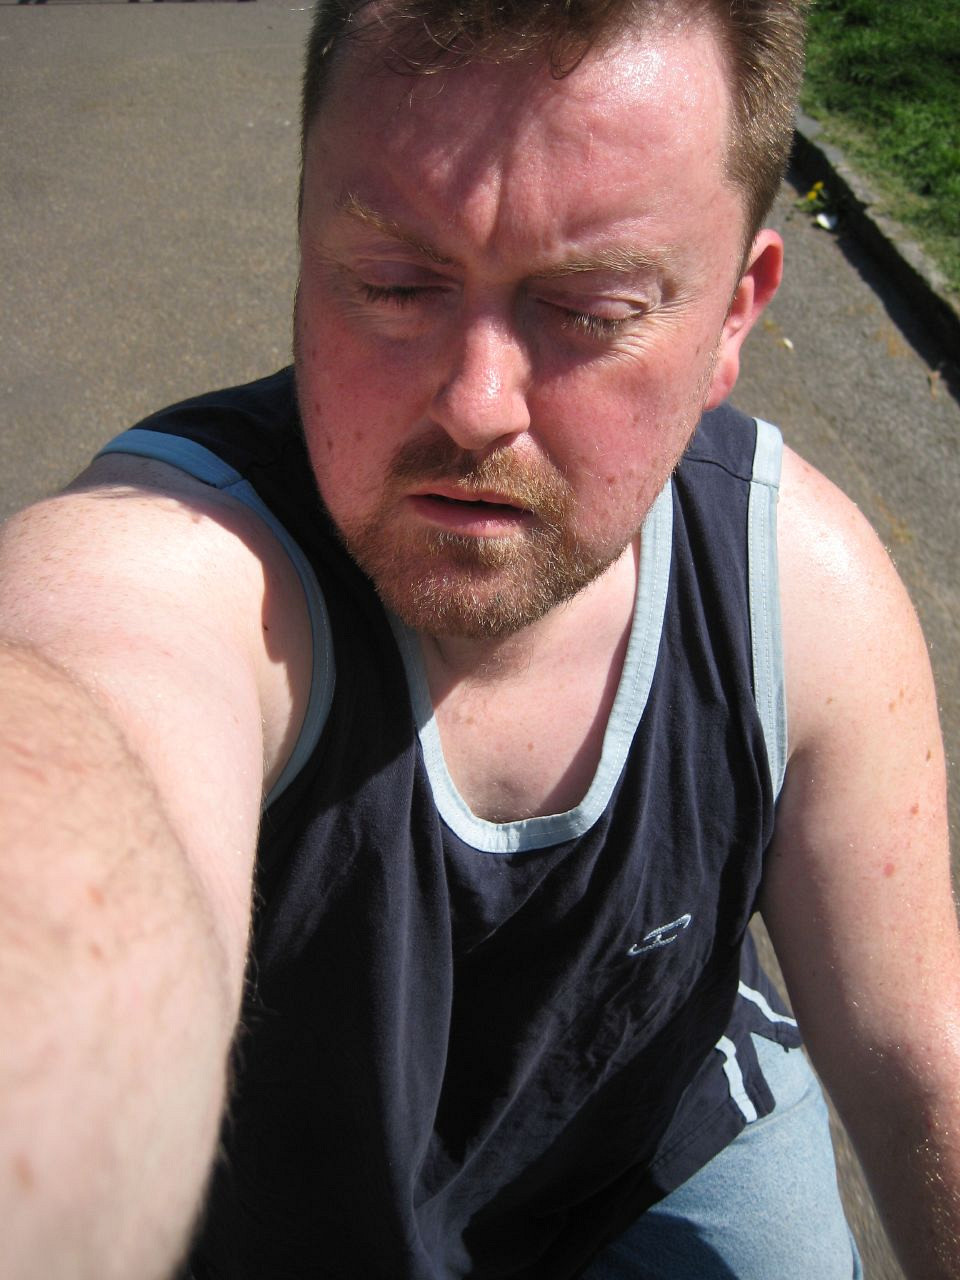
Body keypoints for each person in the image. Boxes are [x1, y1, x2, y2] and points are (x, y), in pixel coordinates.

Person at [1, 0, 958, 1276]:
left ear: (736, 316)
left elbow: (920, 1057)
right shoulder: (186, 562)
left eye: (592, 308)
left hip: (655, 1139)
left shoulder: (794, 588)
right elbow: (89, 701)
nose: (475, 403)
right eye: (394, 285)